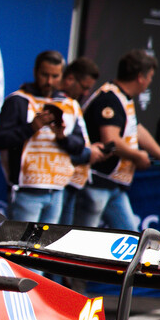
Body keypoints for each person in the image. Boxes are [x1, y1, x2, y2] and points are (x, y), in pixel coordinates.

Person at [0, 50, 86, 224]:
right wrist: (31, 128)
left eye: (55, 76)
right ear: (35, 72)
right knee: (20, 247)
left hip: (57, 191)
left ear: (62, 76)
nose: (49, 81)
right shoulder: (18, 100)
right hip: (26, 191)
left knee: (46, 249)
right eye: (45, 75)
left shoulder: (70, 104)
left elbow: (81, 146)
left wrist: (62, 138)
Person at [77, 49, 160, 230]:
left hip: (114, 184)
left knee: (130, 236)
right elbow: (111, 140)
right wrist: (137, 156)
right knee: (82, 235)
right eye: (150, 77)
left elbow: (137, 129)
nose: (149, 83)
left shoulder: (124, 98)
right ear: (141, 77)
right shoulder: (109, 98)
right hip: (97, 181)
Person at [58, 57, 103, 226]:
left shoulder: (72, 104)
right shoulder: (59, 104)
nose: (85, 93)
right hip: (59, 184)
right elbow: (61, 149)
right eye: (84, 87)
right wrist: (89, 153)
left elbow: (75, 142)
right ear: (70, 79)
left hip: (73, 183)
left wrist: (89, 150)